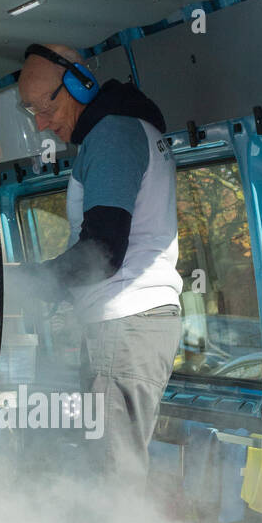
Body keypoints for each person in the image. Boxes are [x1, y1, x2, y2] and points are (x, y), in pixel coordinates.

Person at [16, 43, 182, 487]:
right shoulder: (122, 131)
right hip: (125, 325)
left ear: (79, 84)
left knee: (114, 480)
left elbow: (104, 250)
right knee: (110, 469)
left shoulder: (112, 136)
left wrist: (29, 283)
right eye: (29, 111)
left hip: (124, 322)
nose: (40, 123)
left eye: (43, 107)